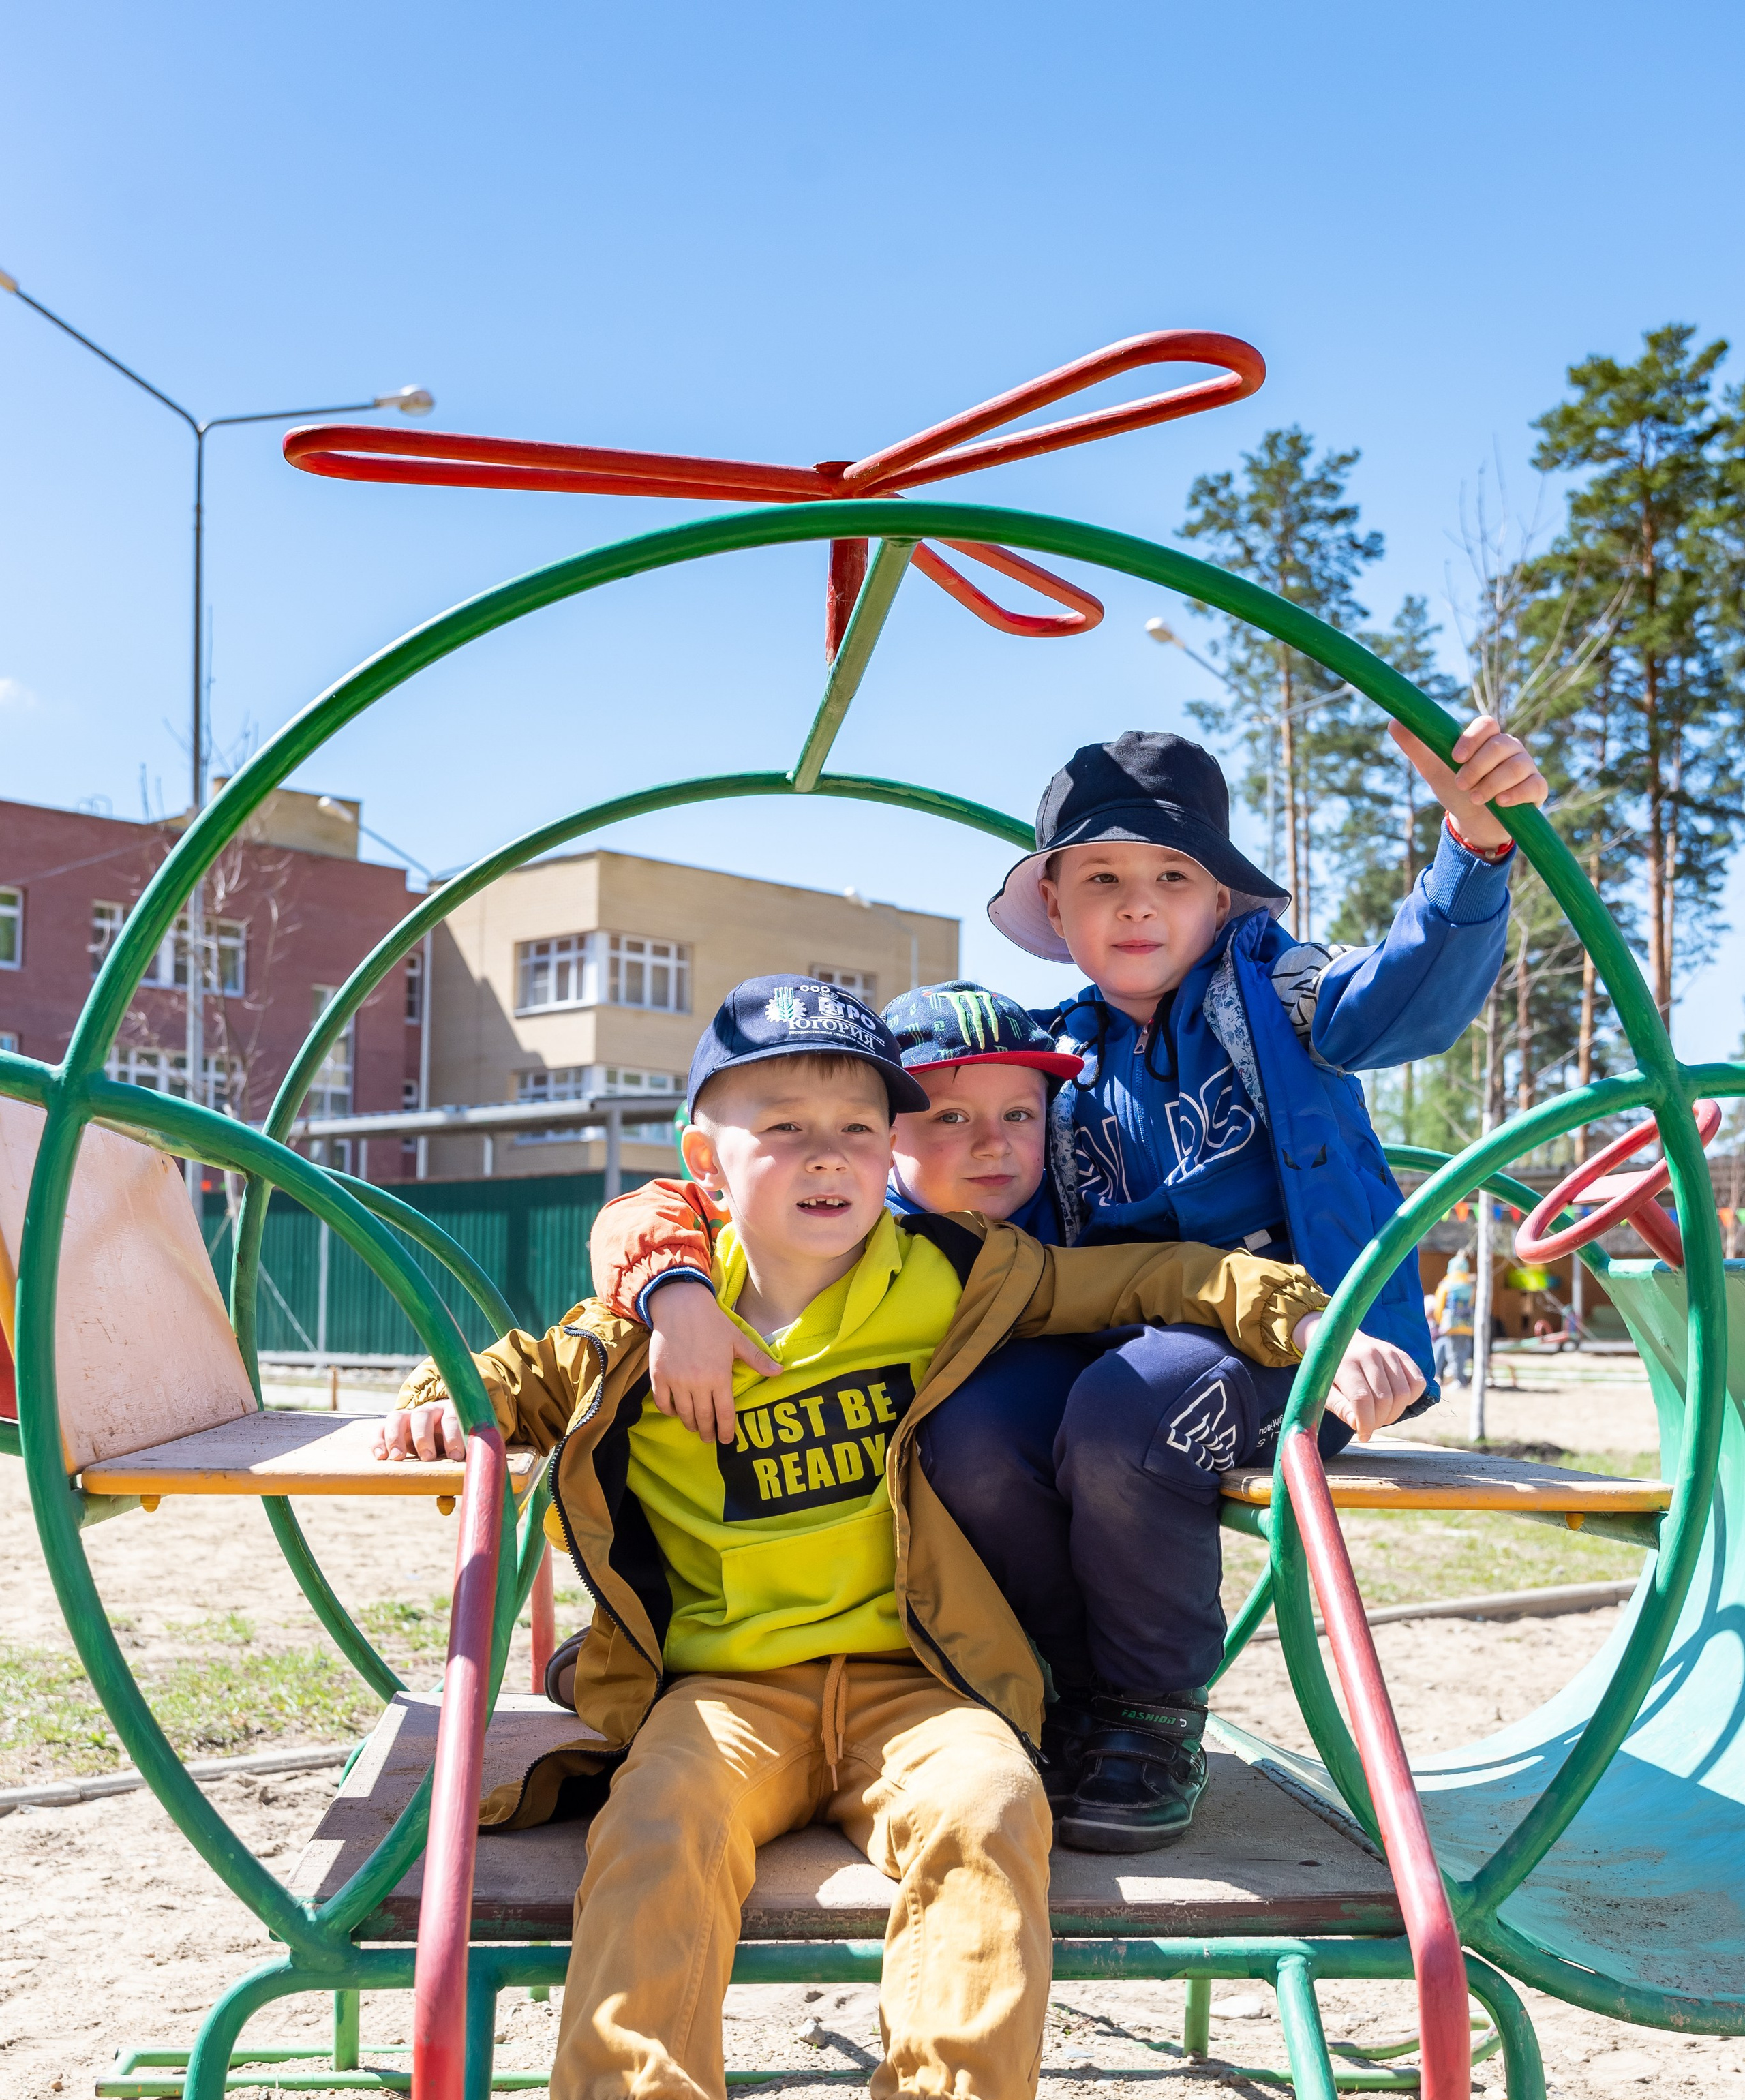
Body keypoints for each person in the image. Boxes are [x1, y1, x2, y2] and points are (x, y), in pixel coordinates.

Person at [374, 975, 1335, 2100]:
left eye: (851, 1124)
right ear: (706, 1162)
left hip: (908, 1680)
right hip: (727, 1690)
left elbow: (1141, 1278)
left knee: (995, 1800)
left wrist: (1290, 1309)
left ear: (890, 1149)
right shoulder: (643, 1320)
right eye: (781, 1126)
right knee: (657, 1822)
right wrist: (428, 1400)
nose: (823, 1155)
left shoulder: (949, 1279)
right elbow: (501, 1377)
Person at [581, 711, 1540, 1850]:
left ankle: (1147, 1708)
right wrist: (677, 1279)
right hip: (1118, 1348)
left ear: (1220, 902)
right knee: (966, 1431)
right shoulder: (1056, 1058)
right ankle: (1071, 1690)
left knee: (1125, 1414)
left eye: (1172, 876)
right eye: (1102, 879)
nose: (1138, 903)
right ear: (1057, 911)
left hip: (1306, 1350)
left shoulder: (1280, 996)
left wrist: (1471, 853)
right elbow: (851, 1182)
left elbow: (1404, 999)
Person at [1431, 1249, 1476, 1387]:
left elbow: (1439, 1306)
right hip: (1468, 1324)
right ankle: (1460, 1378)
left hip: (1451, 1324)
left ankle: (1458, 1381)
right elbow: (1472, 1303)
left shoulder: (1446, 1284)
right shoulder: (1470, 1285)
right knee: (1463, 1353)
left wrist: (1440, 1321)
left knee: (1453, 1353)